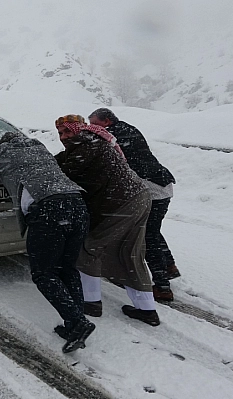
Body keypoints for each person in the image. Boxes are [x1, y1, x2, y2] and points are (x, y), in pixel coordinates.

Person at [0, 131, 95, 352]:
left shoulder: (4, 152)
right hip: (77, 204)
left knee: (43, 273)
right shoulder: (41, 150)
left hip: (48, 210)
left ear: (3, 144)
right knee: (67, 269)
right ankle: (73, 323)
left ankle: (77, 322)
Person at [54, 114, 160, 326]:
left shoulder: (85, 147)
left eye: (67, 131)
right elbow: (61, 161)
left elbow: (63, 172)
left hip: (121, 203)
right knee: (130, 253)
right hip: (138, 196)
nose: (64, 137)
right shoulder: (91, 143)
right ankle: (147, 309)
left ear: (79, 128)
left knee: (89, 248)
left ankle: (90, 302)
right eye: (60, 133)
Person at [89, 108, 179, 302]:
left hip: (150, 186)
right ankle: (169, 266)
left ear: (106, 121)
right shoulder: (127, 129)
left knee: (147, 235)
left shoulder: (113, 135)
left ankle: (163, 287)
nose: (92, 128)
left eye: (94, 124)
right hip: (162, 182)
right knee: (153, 230)